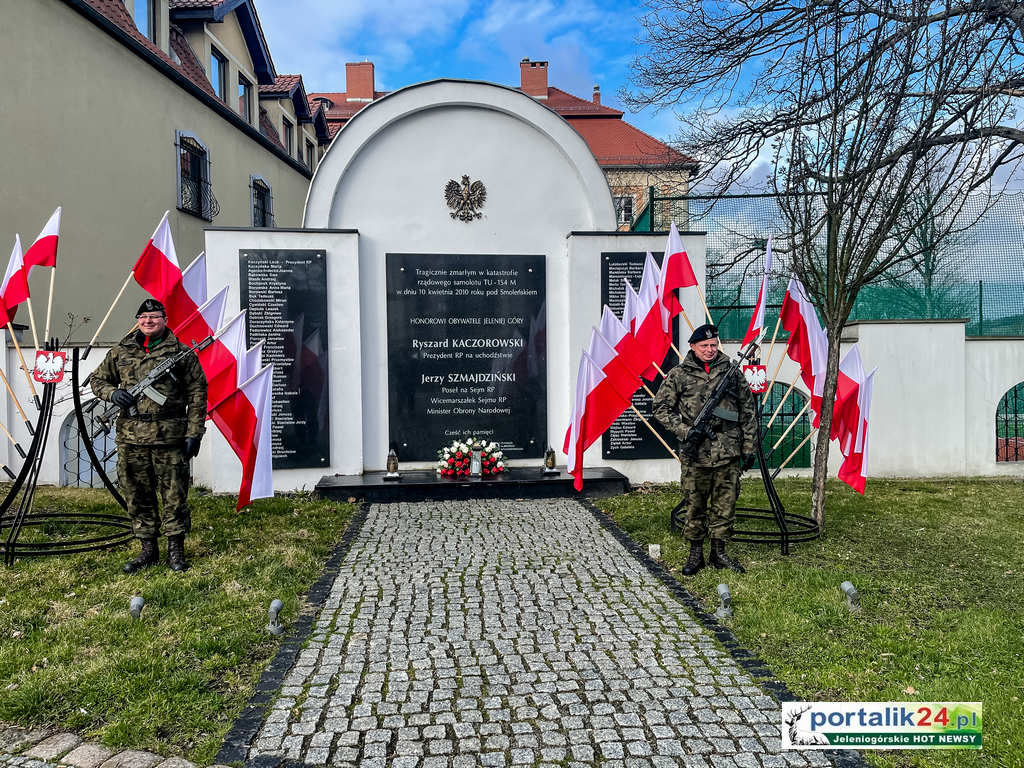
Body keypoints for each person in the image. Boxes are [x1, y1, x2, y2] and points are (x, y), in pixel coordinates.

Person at [91, 299, 207, 573]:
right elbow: (98, 380)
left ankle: (176, 551)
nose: (148, 321)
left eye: (154, 317)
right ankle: (147, 550)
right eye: (143, 317)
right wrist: (113, 394)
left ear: (164, 319)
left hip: (169, 437)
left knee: (174, 495)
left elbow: (198, 394)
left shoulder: (181, 353)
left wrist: (194, 433)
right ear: (138, 320)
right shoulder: (121, 350)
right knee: (137, 494)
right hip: (131, 438)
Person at [653, 324, 757, 575]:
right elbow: (660, 408)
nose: (710, 350)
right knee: (695, 504)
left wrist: (749, 446)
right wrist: (686, 431)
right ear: (693, 347)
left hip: (727, 450)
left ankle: (719, 554)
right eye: (704, 346)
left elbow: (748, 410)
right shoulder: (679, 374)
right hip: (695, 452)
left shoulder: (731, 372)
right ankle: (695, 554)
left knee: (725, 503)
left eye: (713, 345)